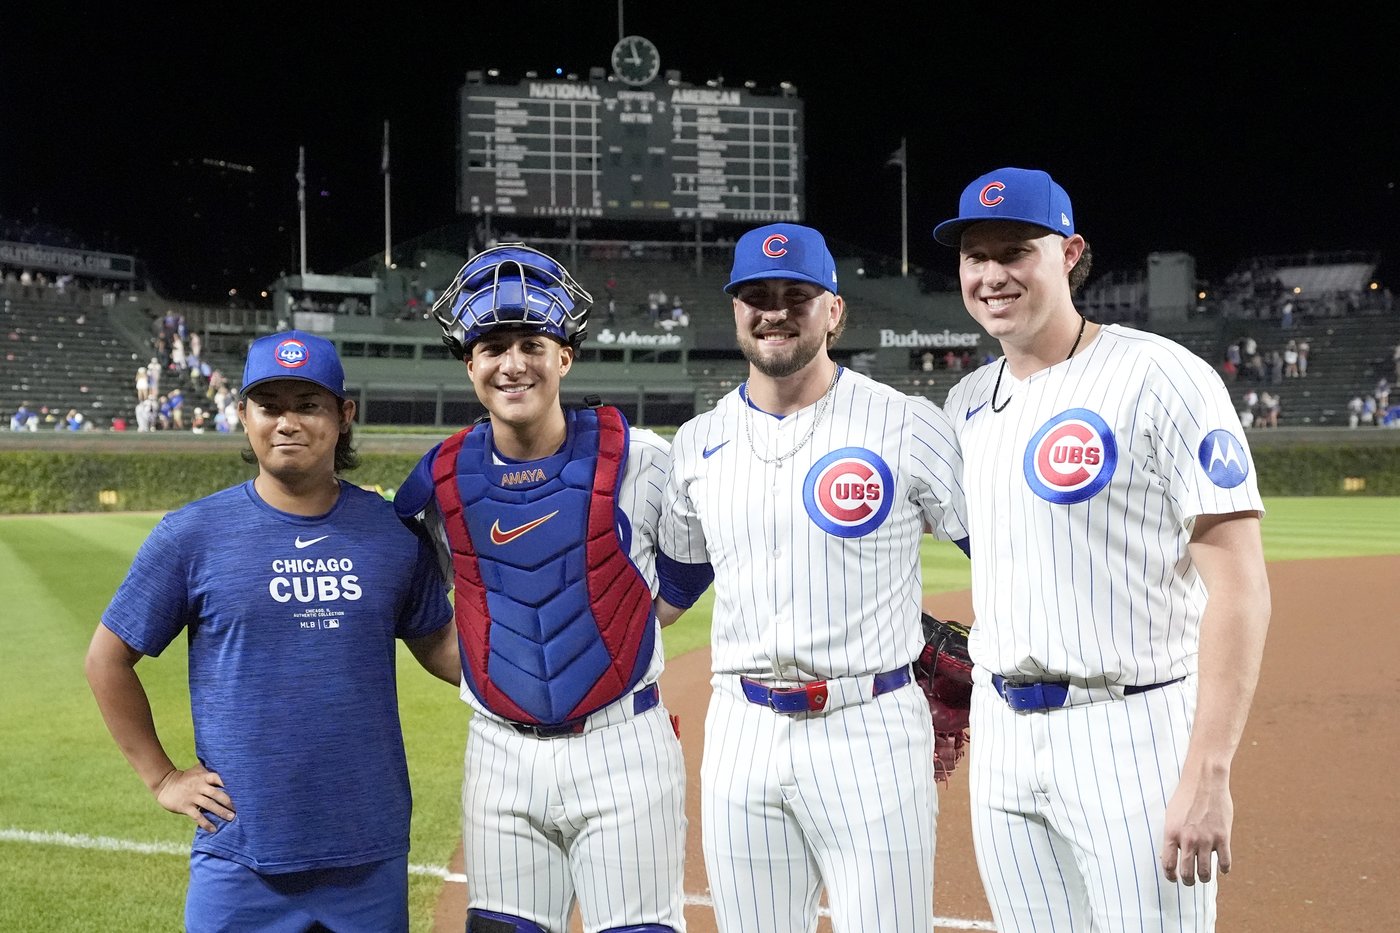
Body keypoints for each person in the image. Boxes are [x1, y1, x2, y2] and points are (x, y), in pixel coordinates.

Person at [932, 167, 1271, 931]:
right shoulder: (963, 405)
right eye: (974, 257)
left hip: (1130, 733)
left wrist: (1209, 773)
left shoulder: (1161, 377)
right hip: (1005, 739)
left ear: (1069, 252)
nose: (991, 275)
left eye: (1014, 250)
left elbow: (1242, 586)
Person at [84, 330, 458, 933]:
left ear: (343, 416)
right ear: (244, 417)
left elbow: (443, 648)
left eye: (307, 405)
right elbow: (106, 659)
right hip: (240, 857)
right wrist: (162, 777)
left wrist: (546, 670)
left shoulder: (391, 533)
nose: (288, 422)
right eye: (270, 405)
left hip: (368, 849)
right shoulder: (192, 534)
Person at [655, 223, 971, 932]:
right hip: (742, 729)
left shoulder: (907, 424)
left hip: (870, 725)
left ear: (834, 310)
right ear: (735, 309)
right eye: (757, 295)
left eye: (796, 294)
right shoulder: (698, 443)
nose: (775, 310)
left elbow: (1004, 553)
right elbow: (668, 597)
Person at [394, 244, 689, 933]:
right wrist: (489, 676)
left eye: (532, 342)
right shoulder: (436, 480)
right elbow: (415, 607)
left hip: (623, 745)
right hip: (501, 753)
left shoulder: (641, 457)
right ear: (470, 364)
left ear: (565, 356)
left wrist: (633, 628)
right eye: (492, 346)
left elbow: (688, 571)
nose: (513, 362)